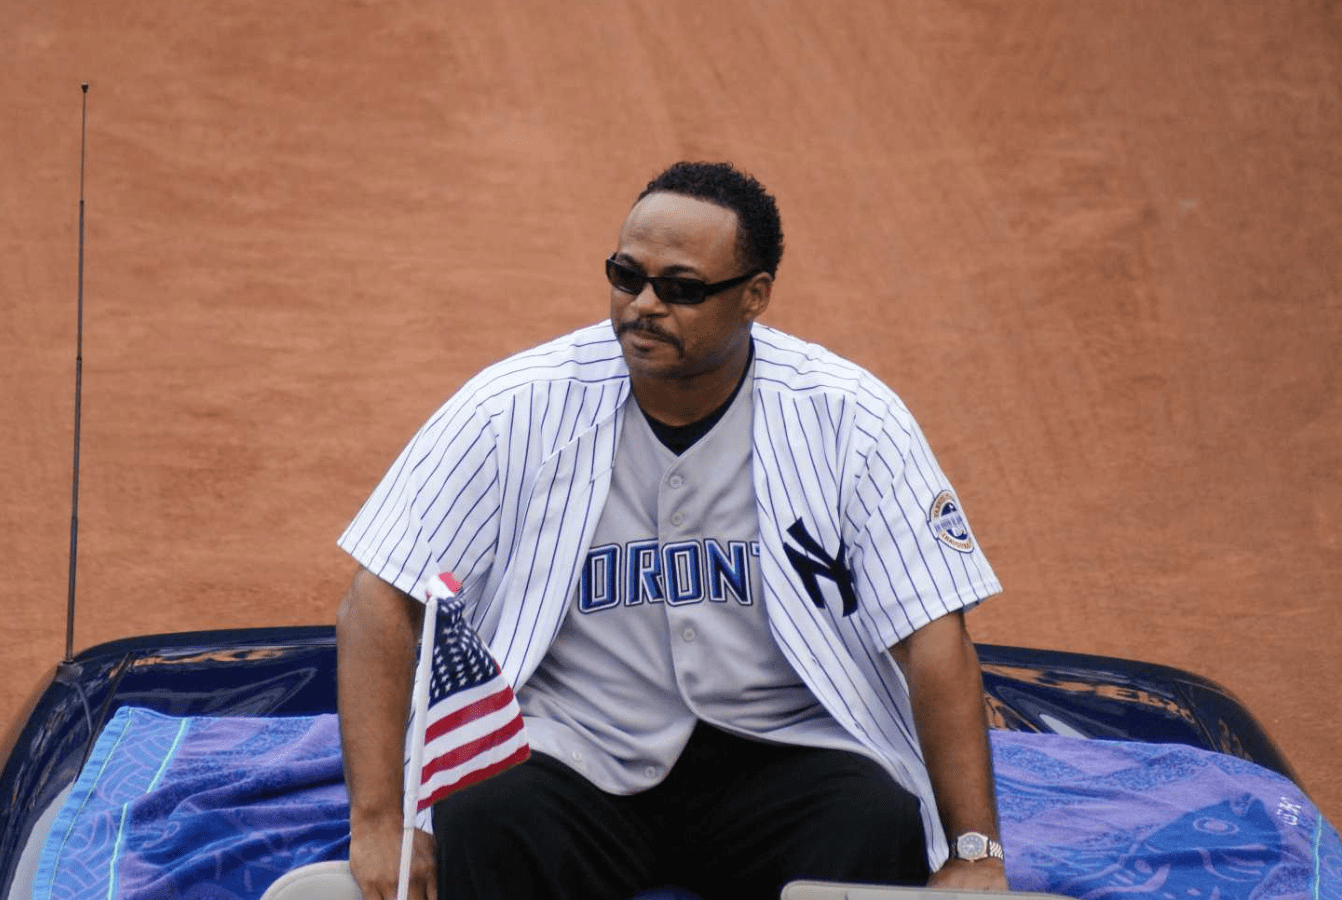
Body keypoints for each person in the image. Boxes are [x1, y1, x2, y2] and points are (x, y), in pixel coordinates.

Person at [336, 161, 1008, 900]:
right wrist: (379, 821)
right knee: (487, 815)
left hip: (782, 752)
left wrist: (974, 851)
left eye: (681, 288)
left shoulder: (851, 419)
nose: (644, 306)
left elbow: (931, 635)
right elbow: (380, 599)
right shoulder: (514, 407)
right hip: (575, 750)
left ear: (754, 296)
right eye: (627, 277)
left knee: (872, 822)